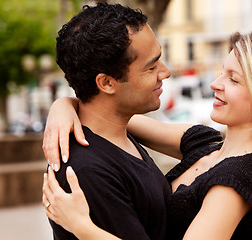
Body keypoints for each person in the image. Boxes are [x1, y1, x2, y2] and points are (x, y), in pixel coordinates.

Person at [43, 29, 252, 240]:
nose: (215, 84)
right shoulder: (207, 144)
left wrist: (82, 227)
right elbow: (111, 115)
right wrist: (63, 106)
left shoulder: (237, 182)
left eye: (233, 79)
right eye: (222, 72)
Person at [43, 2, 172, 240]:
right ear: (107, 83)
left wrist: (64, 103)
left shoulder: (118, 137)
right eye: (152, 66)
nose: (165, 73)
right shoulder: (85, 171)